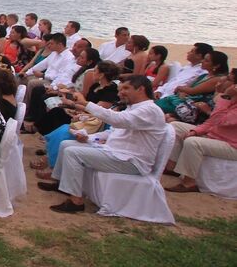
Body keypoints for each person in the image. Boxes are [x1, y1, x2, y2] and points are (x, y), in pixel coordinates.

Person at [39, 75, 167, 213]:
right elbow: (113, 131)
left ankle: (76, 201)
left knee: (73, 153)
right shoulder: (134, 108)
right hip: (116, 152)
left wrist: (86, 104)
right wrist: (89, 137)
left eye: (126, 88)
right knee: (66, 145)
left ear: (141, 89)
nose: (120, 93)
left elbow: (117, 120)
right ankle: (62, 184)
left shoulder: (150, 110)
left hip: (132, 161)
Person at [164, 72, 237, 192]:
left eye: (228, 80)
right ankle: (172, 167)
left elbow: (220, 120)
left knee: (193, 143)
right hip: (215, 134)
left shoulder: (227, 99)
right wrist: (195, 130)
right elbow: (211, 122)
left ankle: (189, 182)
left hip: (231, 145)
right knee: (175, 127)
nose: (223, 81)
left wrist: (225, 97)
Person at [155, 50, 229, 122]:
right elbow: (188, 87)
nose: (202, 61)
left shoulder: (216, 79)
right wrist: (182, 90)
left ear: (216, 65)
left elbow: (193, 91)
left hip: (191, 105)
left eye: (206, 61)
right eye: (203, 59)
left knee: (154, 108)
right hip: (181, 99)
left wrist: (179, 88)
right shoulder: (204, 75)